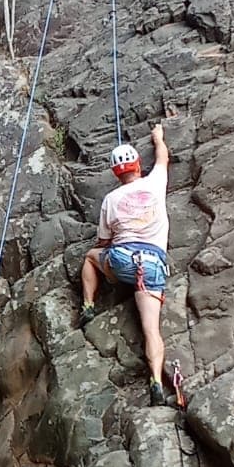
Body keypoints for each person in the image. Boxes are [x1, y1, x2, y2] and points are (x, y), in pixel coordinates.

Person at [81, 121, 172, 401]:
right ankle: (155, 379)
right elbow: (163, 159)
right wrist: (158, 137)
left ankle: (88, 305)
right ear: (137, 165)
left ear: (115, 172)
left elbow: (103, 242)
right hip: (152, 265)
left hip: (121, 260)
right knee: (151, 331)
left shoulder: (110, 199)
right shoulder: (155, 182)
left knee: (90, 257)